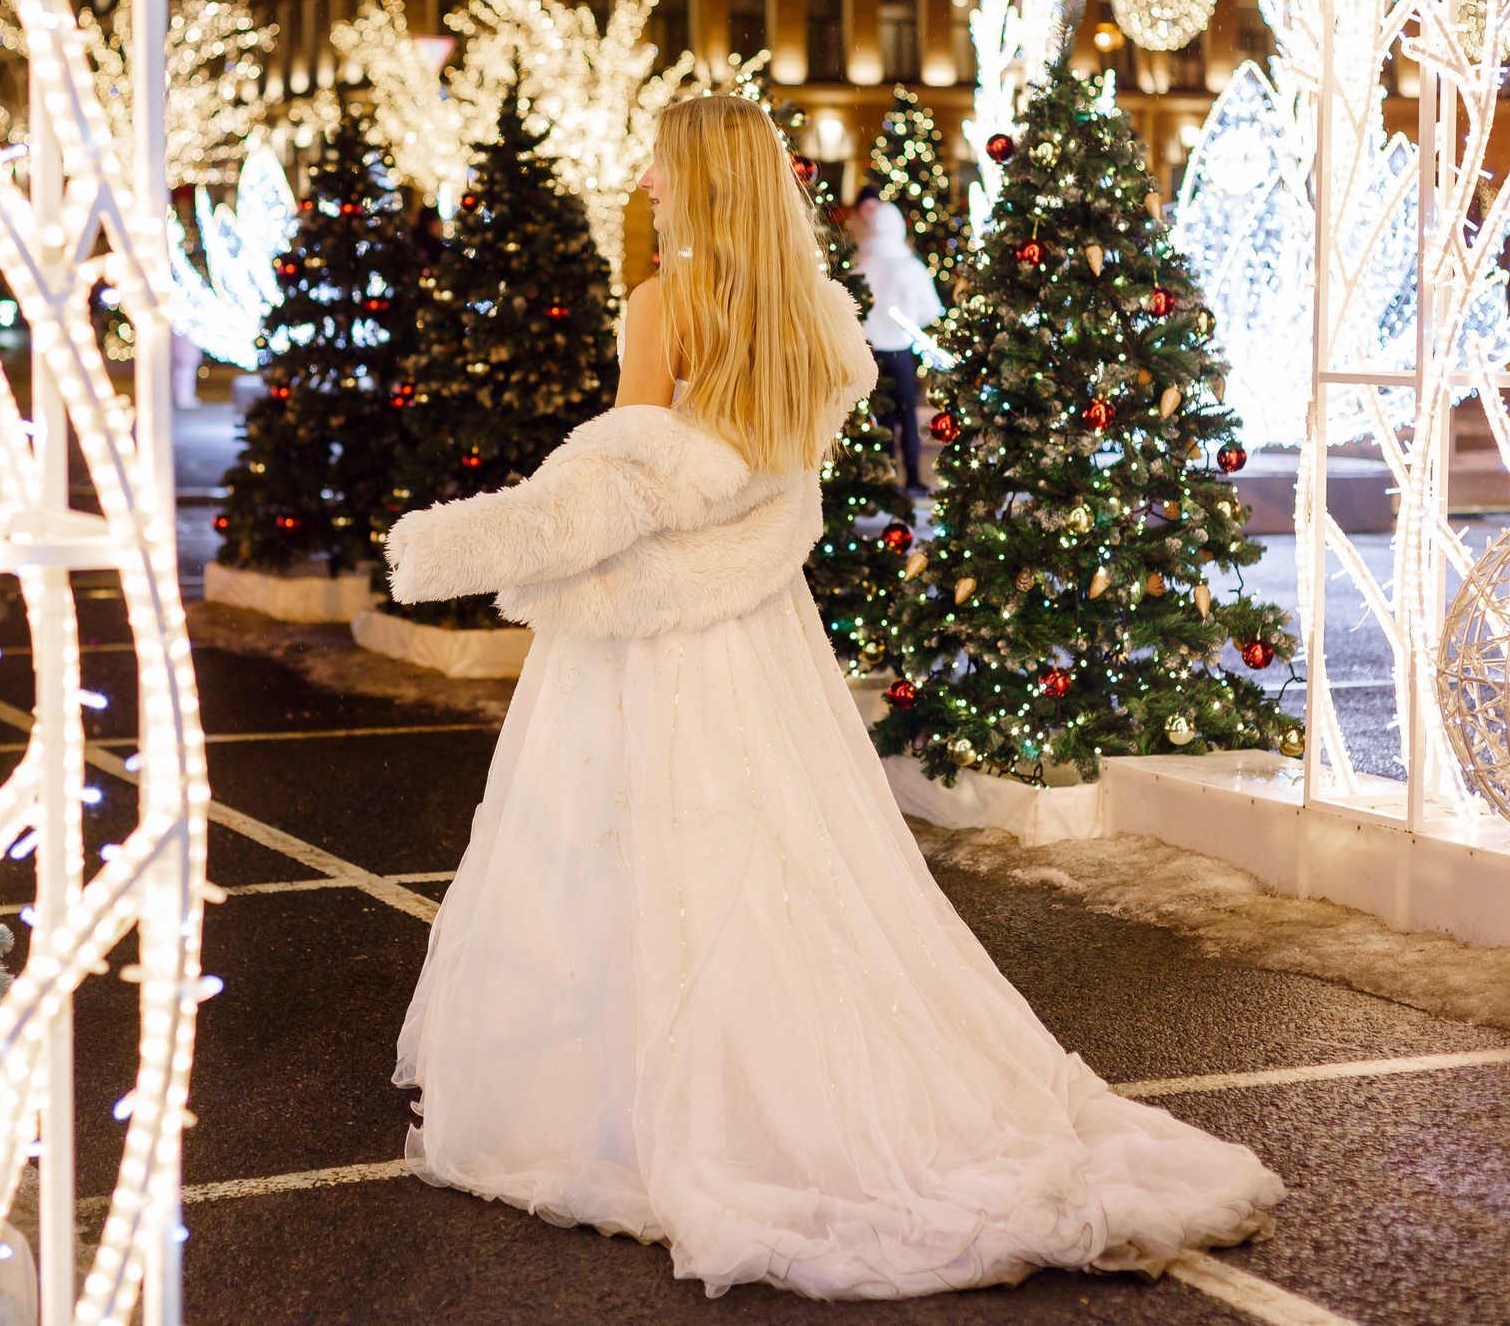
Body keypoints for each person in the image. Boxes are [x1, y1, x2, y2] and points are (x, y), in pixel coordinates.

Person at [382, 94, 1281, 1302]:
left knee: (628, 842)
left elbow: (628, 481)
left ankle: (631, 1089)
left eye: (657, 164)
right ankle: (783, 1068)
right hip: (763, 629)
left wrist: (473, 546)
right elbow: (762, 477)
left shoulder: (664, 303)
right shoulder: (814, 316)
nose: (645, 182)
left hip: (654, 632)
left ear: (697, 178)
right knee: (782, 840)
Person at [852, 188, 944, 496]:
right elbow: (931, 310)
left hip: (871, 352)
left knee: (882, 417)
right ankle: (914, 476)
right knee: (907, 412)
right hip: (901, 351)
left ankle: (885, 478)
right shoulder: (910, 266)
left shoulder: (861, 262)